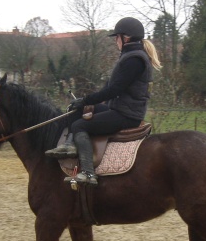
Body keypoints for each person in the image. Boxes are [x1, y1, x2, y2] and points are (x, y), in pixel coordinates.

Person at [45, 17, 162, 186]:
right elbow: (108, 88)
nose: (116, 41)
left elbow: (114, 90)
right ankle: (69, 145)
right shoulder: (129, 56)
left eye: (117, 37)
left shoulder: (133, 60)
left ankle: (88, 173)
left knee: (80, 125)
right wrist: (84, 102)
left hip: (127, 114)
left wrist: (86, 99)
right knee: (79, 111)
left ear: (126, 38)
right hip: (119, 108)